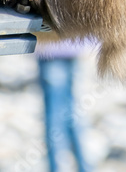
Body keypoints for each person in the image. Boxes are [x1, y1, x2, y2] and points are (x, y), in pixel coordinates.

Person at [36, 38, 94, 172]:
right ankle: (84, 166)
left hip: (50, 47)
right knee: (71, 109)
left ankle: (56, 167)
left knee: (53, 113)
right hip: (73, 43)